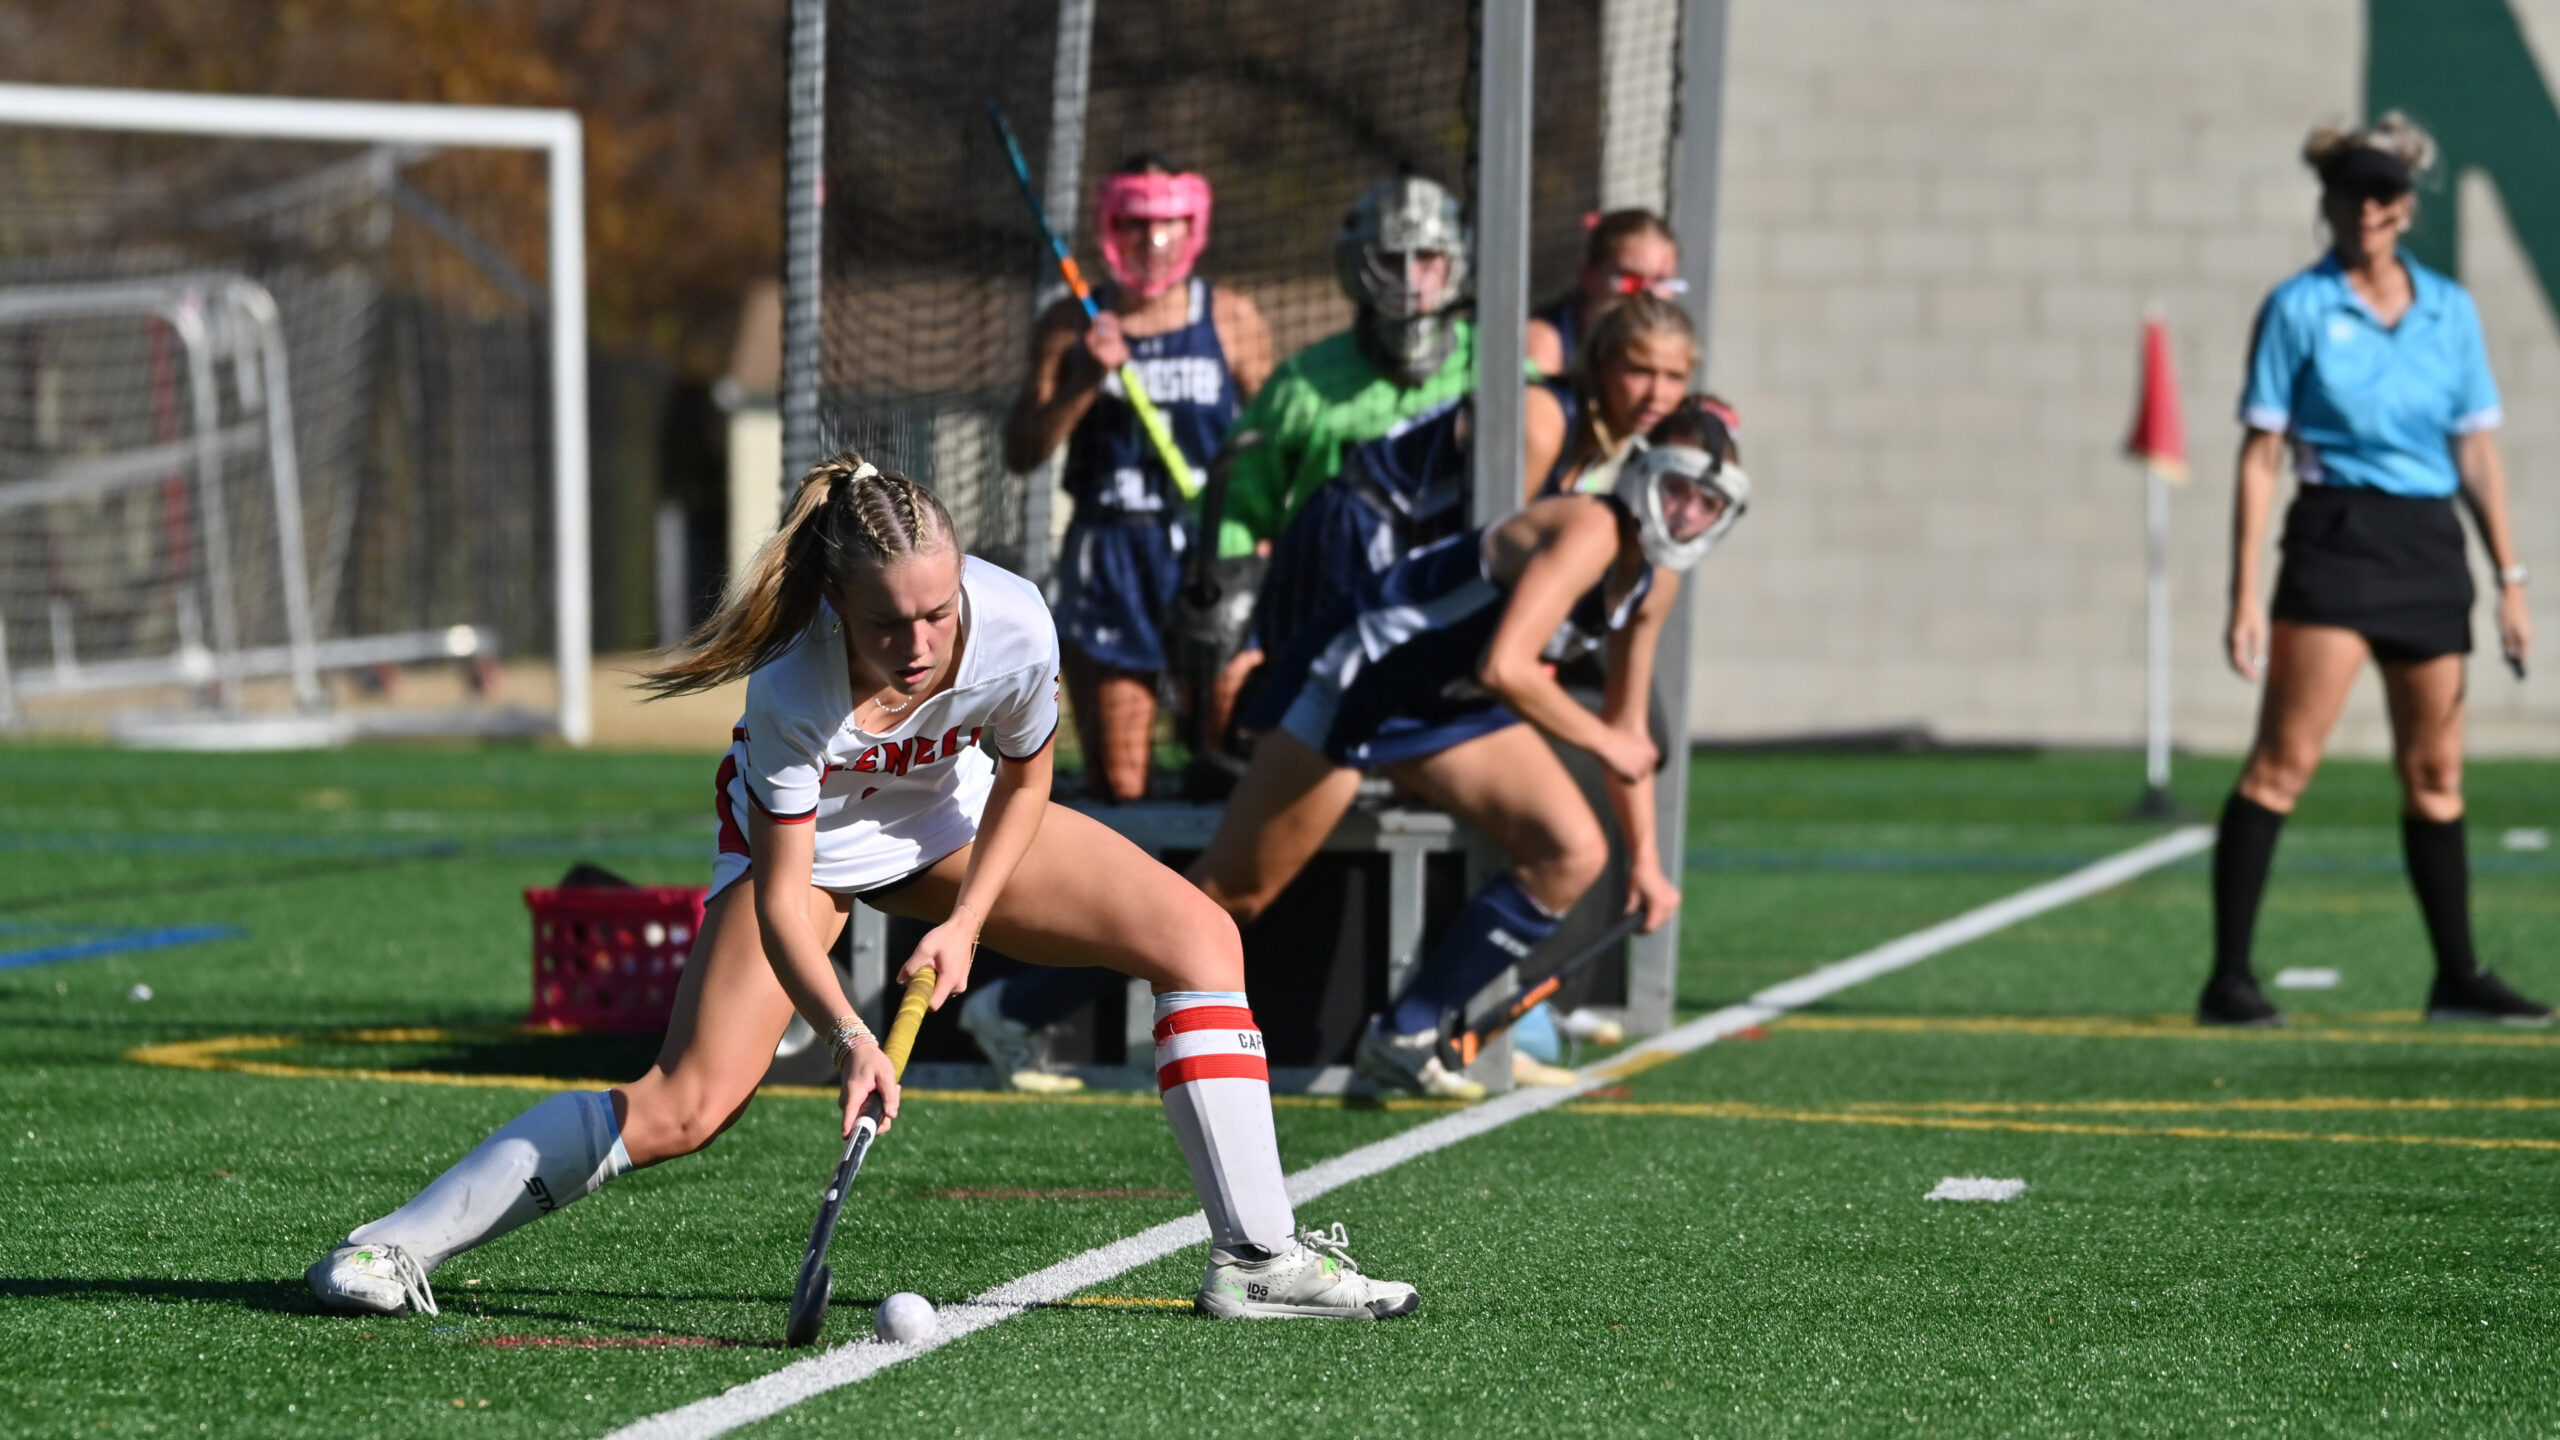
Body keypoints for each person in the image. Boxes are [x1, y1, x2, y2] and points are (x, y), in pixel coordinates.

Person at [306, 458, 1418, 1323]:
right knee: (687, 1105)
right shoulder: (794, 688)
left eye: (939, 615)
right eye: (890, 624)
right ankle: (389, 1247)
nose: (921, 644)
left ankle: (1256, 1258)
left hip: (950, 820)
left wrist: (968, 924)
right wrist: (849, 1037)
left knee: (1200, 938)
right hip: (812, 851)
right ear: (837, 601)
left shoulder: (1015, 622)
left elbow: (1027, 778)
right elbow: (785, 898)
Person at [1192, 404, 1748, 1099]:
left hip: (1445, 707)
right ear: (1641, 474)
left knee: (1571, 852)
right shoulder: (1592, 528)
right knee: (1233, 895)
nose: (1687, 513)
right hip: (1362, 682)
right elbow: (1506, 668)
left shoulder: (1656, 578)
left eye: (1707, 502)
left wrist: (1649, 864)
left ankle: (1404, 1035)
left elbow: (1627, 727)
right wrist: (1603, 740)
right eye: (1677, 490)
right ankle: (1053, 998)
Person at [2201, 112, 2546, 1028]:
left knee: (2436, 773)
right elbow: (2261, 455)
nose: (2367, 208)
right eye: (2351, 191)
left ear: (2406, 207)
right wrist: (2243, 594)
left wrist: (2511, 582)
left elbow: (2475, 452)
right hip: (2337, 538)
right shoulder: (2298, 307)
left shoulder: (2450, 310)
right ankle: (2228, 979)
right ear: (2329, 201)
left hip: (2427, 545)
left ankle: (2457, 976)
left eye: (2384, 193)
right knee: (2282, 765)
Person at [1004, 153, 1273, 805]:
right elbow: (1022, 450)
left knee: (1229, 760)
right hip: (1113, 558)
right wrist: (1086, 380)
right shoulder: (1071, 322)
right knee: (1122, 783)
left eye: (1168, 223)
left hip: (1215, 554)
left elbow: (1275, 442)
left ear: (1193, 226)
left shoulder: (1231, 318)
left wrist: (1267, 536)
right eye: (1135, 224)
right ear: (1109, 227)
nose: (1153, 241)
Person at [1527, 209, 1682, 382]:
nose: (1647, 292)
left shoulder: (1678, 346)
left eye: (1660, 281)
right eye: (1631, 279)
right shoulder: (1546, 341)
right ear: (1587, 277)